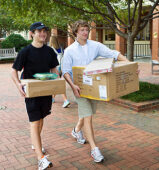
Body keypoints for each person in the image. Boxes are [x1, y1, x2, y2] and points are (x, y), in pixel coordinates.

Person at [62, 20, 129, 163]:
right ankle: (94, 149)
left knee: (88, 114)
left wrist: (129, 64)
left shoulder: (95, 46)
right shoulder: (69, 51)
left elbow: (113, 53)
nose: (85, 32)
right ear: (75, 32)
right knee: (88, 117)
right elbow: (66, 72)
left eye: (86, 29)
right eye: (82, 30)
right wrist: (73, 86)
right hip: (79, 88)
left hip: (94, 88)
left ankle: (76, 130)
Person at [11, 22, 59, 170]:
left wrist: (55, 82)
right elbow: (14, 71)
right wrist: (19, 85)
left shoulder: (50, 51)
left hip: (45, 91)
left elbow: (54, 69)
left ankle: (35, 142)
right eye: (39, 31)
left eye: (44, 31)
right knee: (34, 121)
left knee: (41, 119)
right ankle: (41, 158)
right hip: (31, 92)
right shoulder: (25, 52)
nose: (43, 34)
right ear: (32, 33)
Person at [49, 36, 70, 108]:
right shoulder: (61, 49)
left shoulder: (51, 50)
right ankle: (52, 98)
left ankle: (66, 100)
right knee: (55, 84)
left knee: (58, 85)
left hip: (55, 69)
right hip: (61, 68)